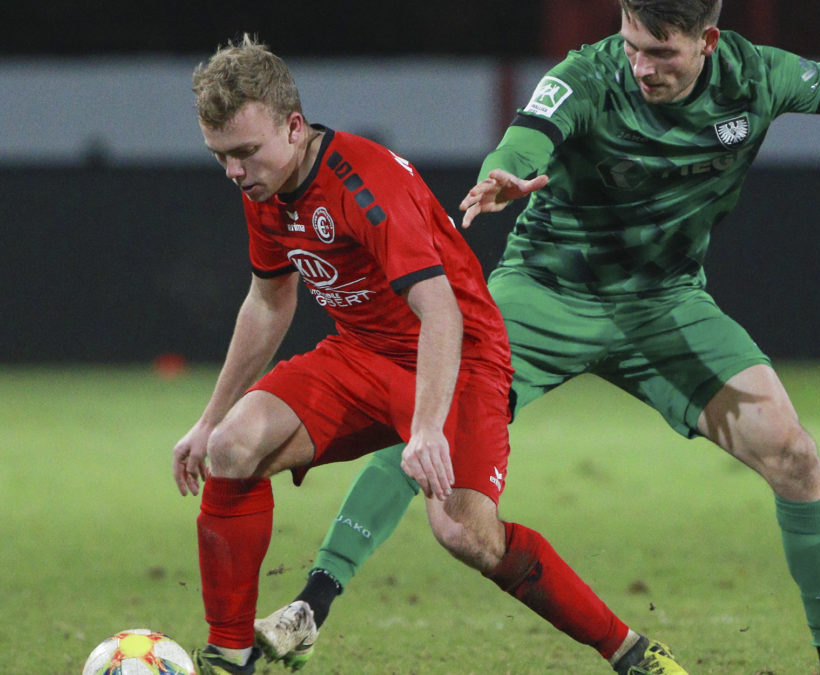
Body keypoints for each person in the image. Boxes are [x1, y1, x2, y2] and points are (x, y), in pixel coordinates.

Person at [256, 1, 820, 673]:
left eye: (661, 52)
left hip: (666, 306)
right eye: (630, 44)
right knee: (425, 419)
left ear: (708, 40)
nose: (640, 65)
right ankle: (310, 605)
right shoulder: (587, 77)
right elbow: (527, 137)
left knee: (795, 453)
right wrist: (505, 174)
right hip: (544, 295)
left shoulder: (762, 78)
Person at [172, 33, 689, 675]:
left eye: (245, 152)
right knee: (231, 446)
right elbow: (269, 303)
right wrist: (207, 418)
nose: (234, 171)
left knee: (464, 534)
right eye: (221, 156)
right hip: (361, 354)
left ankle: (631, 652)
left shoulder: (364, 184)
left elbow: (439, 309)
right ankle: (229, 654)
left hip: (460, 356)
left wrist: (422, 428)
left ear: (294, 125)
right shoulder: (265, 187)